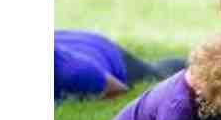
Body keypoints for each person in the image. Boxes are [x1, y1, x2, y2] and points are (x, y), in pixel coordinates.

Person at [54, 30, 187, 103]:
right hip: (66, 41)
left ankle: (195, 61)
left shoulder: (76, 72)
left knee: (157, 74)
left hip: (108, 53)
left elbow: (119, 90)